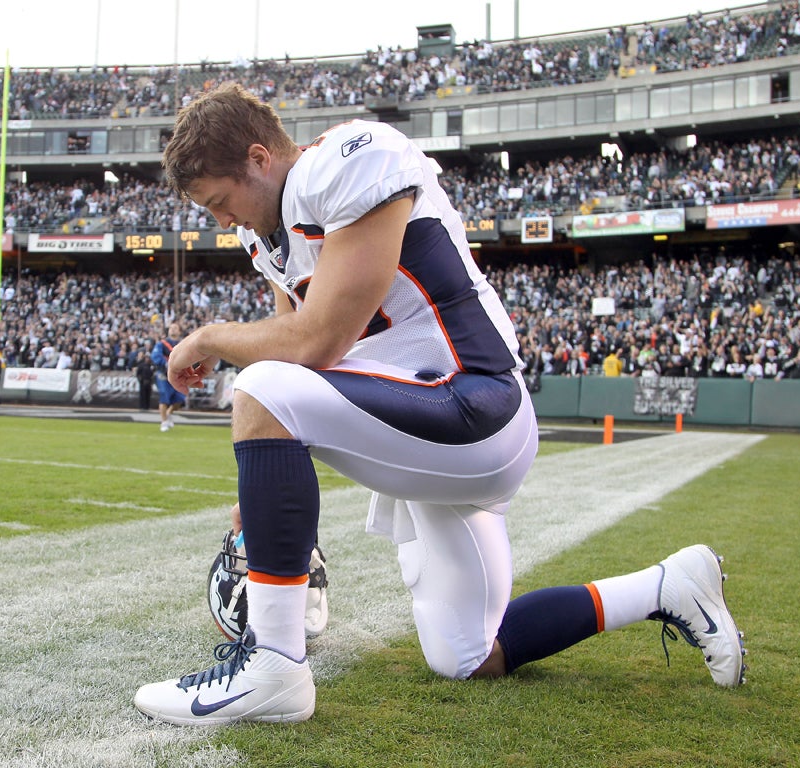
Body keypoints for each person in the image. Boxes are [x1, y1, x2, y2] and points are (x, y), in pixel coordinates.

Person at [132, 83, 747, 726]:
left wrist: (206, 338)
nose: (222, 221)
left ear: (259, 159)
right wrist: (256, 506)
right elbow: (298, 356)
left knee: (258, 385)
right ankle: (668, 585)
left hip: (476, 406)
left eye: (220, 202)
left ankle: (273, 667)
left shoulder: (348, 157)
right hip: (425, 429)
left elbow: (317, 342)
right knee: (467, 655)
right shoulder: (269, 237)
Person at [150, 322, 187, 432]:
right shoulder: (162, 344)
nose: (173, 330)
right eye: (171, 328)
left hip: (178, 375)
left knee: (180, 399)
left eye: (175, 328)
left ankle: (169, 413)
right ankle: (164, 421)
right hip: (164, 374)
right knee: (164, 398)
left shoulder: (183, 344)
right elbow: (155, 356)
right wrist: (166, 364)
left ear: (179, 331)